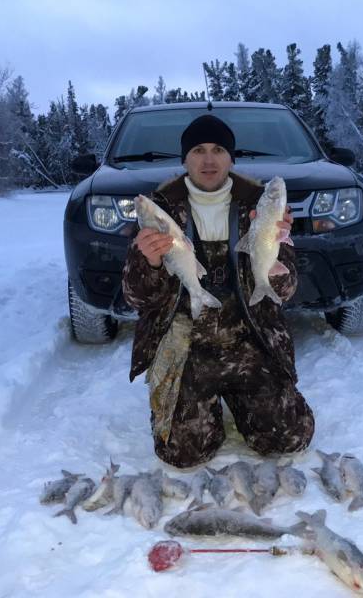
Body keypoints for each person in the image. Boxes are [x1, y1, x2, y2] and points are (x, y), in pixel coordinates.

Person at [122, 114, 314, 468]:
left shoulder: (261, 206)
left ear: (231, 158)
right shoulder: (158, 209)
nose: (208, 160)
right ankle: (194, 403)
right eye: (197, 150)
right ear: (184, 159)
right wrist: (147, 262)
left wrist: (278, 244)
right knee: (181, 453)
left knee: (290, 437)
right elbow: (137, 299)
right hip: (187, 344)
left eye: (218, 150)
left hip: (248, 340)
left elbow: (284, 291)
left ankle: (241, 397)